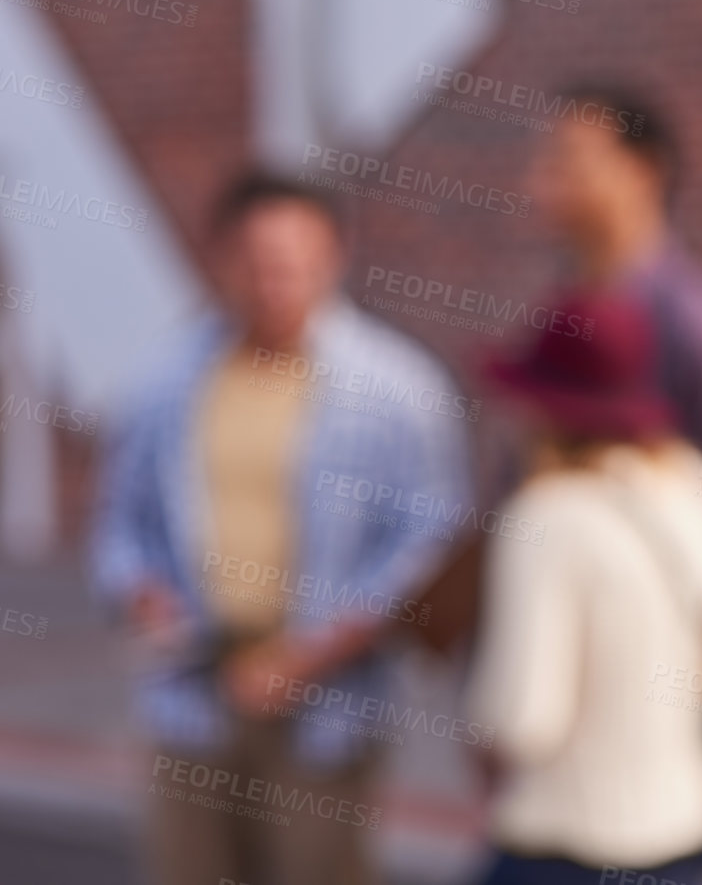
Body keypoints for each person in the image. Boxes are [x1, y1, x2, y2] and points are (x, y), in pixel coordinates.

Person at [90, 173, 473, 885]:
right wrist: (140, 589)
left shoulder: (398, 389)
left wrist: (318, 649)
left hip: (326, 700)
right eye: (257, 262)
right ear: (222, 259)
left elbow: (430, 542)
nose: (275, 283)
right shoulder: (162, 381)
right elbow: (121, 525)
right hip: (193, 686)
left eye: (295, 262)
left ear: (335, 256)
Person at [464, 291, 702, 884]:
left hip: (566, 844)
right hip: (688, 826)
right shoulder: (690, 478)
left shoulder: (544, 518)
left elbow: (523, 720)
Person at [525, 84, 702, 565]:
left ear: (642, 171)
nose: (541, 182)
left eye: (566, 160)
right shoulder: (560, 311)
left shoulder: (698, 323)